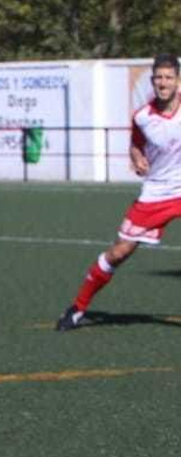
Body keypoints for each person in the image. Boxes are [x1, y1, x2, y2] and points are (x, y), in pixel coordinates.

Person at [57, 53, 181, 330]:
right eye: (158, 78)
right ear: (152, 81)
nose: (163, 83)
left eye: (169, 77)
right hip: (156, 194)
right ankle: (78, 308)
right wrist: (137, 159)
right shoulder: (143, 117)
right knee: (119, 252)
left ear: (178, 80)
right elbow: (136, 145)